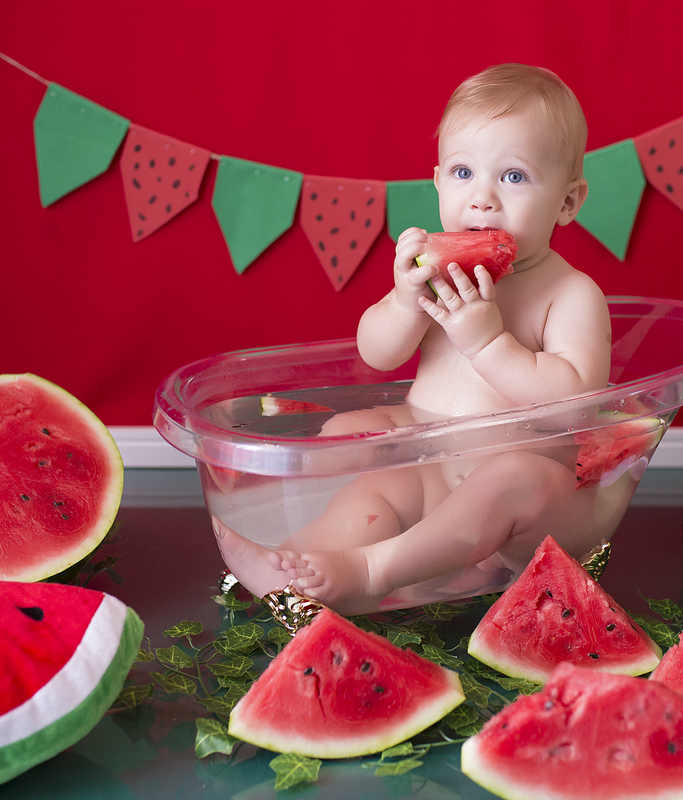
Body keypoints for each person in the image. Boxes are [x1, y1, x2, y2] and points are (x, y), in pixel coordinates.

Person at [214, 64, 612, 614]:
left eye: (514, 177)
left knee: (514, 478)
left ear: (568, 202)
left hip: (525, 505)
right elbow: (376, 354)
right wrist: (404, 301)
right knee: (361, 458)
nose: (483, 199)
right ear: (437, 181)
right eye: (463, 172)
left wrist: (488, 343)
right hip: (429, 462)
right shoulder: (439, 271)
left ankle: (373, 569)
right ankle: (294, 559)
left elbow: (578, 402)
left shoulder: (570, 294)